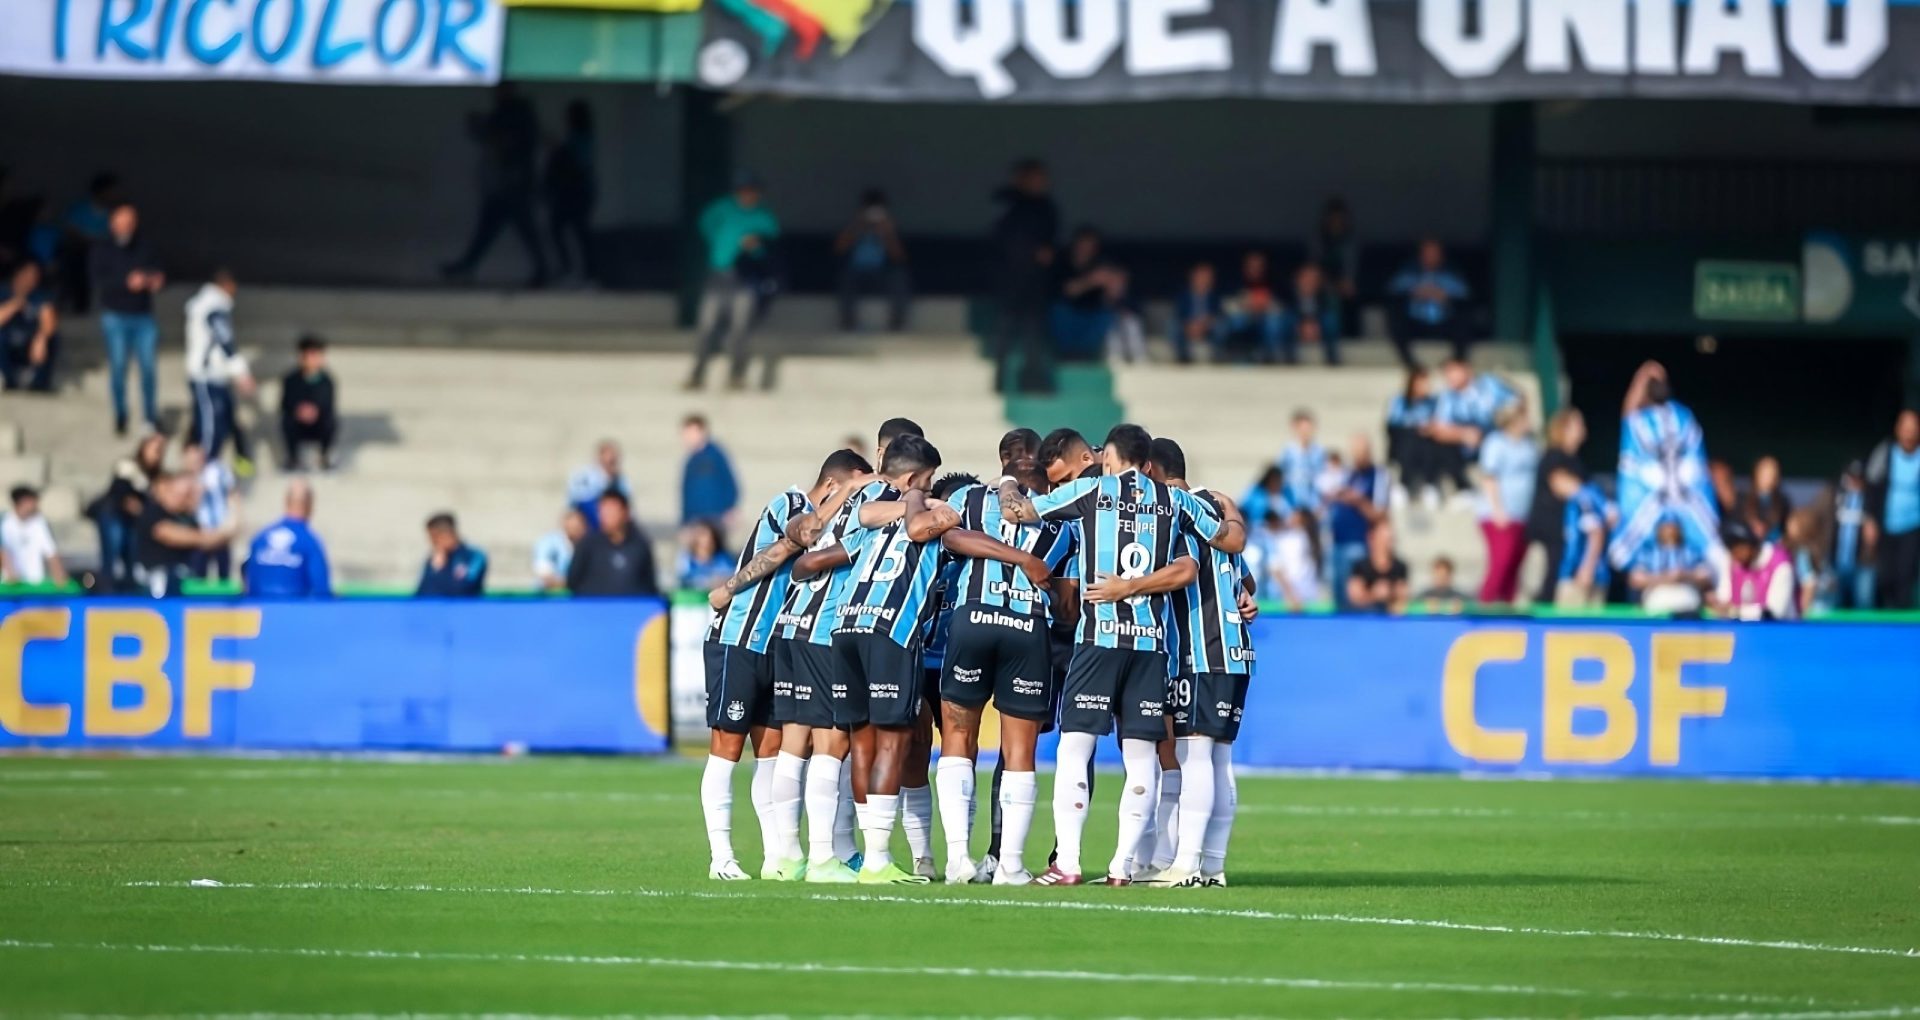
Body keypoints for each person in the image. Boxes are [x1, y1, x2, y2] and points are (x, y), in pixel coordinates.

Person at [995, 424, 1247, 886]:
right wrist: (1231, 511)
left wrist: (1007, 483)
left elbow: (1019, 513)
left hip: (1099, 639)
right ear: (1148, 463)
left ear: (1109, 458)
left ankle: (1067, 863)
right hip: (1150, 646)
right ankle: (1121, 868)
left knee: (1075, 746)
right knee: (1141, 755)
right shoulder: (1177, 501)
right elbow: (1227, 543)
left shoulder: (1094, 489)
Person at [706, 448, 874, 883]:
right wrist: (849, 492)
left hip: (778, 645)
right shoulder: (790, 503)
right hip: (738, 638)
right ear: (838, 482)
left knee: (773, 753)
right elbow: (807, 532)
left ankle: (776, 856)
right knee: (726, 750)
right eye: (860, 483)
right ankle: (721, 856)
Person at [771, 422, 923, 884]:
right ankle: (822, 858)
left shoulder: (846, 493)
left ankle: (786, 856)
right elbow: (826, 553)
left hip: (792, 622)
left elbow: (807, 537)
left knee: (793, 745)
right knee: (833, 744)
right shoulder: (877, 498)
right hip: (826, 626)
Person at [933, 448, 1077, 885]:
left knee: (958, 737)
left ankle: (958, 858)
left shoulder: (971, 499)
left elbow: (949, 538)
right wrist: (1033, 570)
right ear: (1046, 485)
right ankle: (1009, 865)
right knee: (1020, 752)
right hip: (1026, 630)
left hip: (971, 619)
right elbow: (1068, 608)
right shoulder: (1061, 524)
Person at [1139, 438, 1259, 889]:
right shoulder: (1214, 507)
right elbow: (1245, 577)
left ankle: (1186, 864)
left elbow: (1183, 571)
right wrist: (1247, 599)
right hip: (1236, 650)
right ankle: (1212, 866)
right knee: (1218, 758)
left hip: (1203, 647)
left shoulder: (1177, 510)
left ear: (1151, 471)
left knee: (1195, 755)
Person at [1609, 361, 1720, 573]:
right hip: (1655, 513)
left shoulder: (1675, 417)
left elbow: (1696, 464)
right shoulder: (1645, 422)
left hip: (1685, 513)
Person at [442, 83, 549, 288]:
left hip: (513, 181)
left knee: (511, 227)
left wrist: (484, 130)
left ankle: (468, 265)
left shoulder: (514, 113)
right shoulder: (512, 112)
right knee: (497, 226)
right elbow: (495, 138)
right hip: (509, 181)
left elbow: (503, 140)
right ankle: (468, 265)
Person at [687, 173, 781, 392]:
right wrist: (718, 242)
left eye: (751, 191)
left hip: (745, 278)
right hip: (718, 274)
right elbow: (705, 225)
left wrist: (755, 246)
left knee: (740, 328)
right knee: (706, 325)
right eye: (743, 191)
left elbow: (772, 244)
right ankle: (697, 372)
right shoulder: (722, 208)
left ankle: (737, 374)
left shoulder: (763, 216)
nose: (747, 195)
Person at [90, 202, 163, 435]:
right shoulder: (102, 249)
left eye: (130, 222)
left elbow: (160, 272)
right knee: (119, 366)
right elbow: (99, 280)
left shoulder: (145, 246)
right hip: (115, 316)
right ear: (113, 223)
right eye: (122, 221)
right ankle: (121, 414)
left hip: (143, 316)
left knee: (148, 368)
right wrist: (126, 282)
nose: (126, 226)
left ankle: (150, 416)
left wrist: (152, 280)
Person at [989, 159, 1058, 395]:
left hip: (1036, 285)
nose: (1041, 183)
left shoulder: (1046, 207)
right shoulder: (1006, 204)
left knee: (1034, 336)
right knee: (1005, 334)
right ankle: (999, 383)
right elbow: (1001, 239)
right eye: (1035, 177)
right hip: (1010, 282)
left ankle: (1033, 382)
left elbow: (1050, 243)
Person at [185, 269, 255, 469]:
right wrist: (241, 373)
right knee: (210, 426)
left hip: (217, 376)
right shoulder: (213, 306)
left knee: (228, 421)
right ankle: (203, 469)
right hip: (205, 376)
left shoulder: (211, 306)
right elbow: (225, 340)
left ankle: (238, 463)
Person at [1476, 401, 1538, 605]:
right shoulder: (1496, 443)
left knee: (1515, 565)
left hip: (1523, 515)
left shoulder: (1530, 445)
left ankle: (1507, 607)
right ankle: (1485, 605)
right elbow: (1489, 477)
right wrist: (1497, 510)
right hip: (1501, 515)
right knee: (1501, 562)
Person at [135, 472, 235, 598]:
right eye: (180, 494)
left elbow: (213, 540)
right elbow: (169, 534)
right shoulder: (153, 512)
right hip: (157, 579)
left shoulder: (187, 517)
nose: (183, 498)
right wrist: (206, 538)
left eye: (187, 495)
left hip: (185, 577)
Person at [1430, 358, 1518, 495]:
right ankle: (1464, 489)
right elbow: (1439, 429)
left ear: (1466, 369)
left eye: (1453, 371)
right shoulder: (1447, 397)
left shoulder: (1489, 384)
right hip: (1467, 448)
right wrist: (1463, 434)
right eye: (1446, 373)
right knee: (1439, 447)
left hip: (1497, 438)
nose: (1449, 376)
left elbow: (1516, 402)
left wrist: (1504, 423)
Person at [88, 433, 166, 588]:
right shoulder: (128, 466)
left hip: (133, 523)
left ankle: (128, 594)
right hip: (114, 517)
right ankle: (106, 592)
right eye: (154, 448)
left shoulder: (156, 476)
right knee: (112, 556)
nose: (157, 453)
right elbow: (121, 494)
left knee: (132, 560)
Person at [1528, 408, 1587, 604]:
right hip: (1549, 530)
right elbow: (1564, 486)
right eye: (1577, 424)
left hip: (1565, 532)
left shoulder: (1576, 460)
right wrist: (1596, 499)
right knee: (1549, 578)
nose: (1583, 429)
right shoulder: (1554, 456)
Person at [1386, 237, 1472, 368]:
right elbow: (1393, 288)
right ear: (1420, 255)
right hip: (1416, 322)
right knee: (1396, 315)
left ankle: (1458, 360)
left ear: (1441, 256)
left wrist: (1444, 295)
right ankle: (1409, 363)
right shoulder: (1408, 273)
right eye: (1427, 253)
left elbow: (1464, 292)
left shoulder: (1451, 275)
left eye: (1434, 253)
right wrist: (1414, 292)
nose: (1430, 257)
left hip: (1443, 322)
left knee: (1464, 317)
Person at [1325, 434, 1388, 611]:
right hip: (1338, 542)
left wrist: (1358, 501)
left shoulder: (1377, 475)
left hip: (1358, 542)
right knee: (1338, 594)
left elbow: (1380, 512)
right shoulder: (1350, 474)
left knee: (1353, 595)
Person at [241, 480, 332, 598]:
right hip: (294, 612)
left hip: (260, 612)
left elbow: (247, 583)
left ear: (286, 501)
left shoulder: (259, 539)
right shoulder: (310, 543)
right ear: (310, 505)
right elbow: (322, 591)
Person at [1866, 409, 1920, 609]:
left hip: (1913, 527)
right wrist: (1870, 520)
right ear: (1898, 429)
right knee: (1885, 576)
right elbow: (1871, 485)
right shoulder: (1885, 452)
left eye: (1913, 429)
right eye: (1905, 428)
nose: (1909, 433)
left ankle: (1905, 628)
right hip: (1887, 525)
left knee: (1905, 576)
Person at [835, 189, 909, 332]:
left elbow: (899, 257)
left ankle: (897, 323)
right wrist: (857, 227)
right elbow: (839, 249)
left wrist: (887, 233)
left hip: (882, 274)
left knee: (900, 277)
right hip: (856, 273)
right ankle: (848, 323)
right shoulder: (854, 226)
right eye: (870, 210)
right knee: (845, 277)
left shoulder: (889, 227)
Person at [544, 99, 597, 283]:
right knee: (561, 229)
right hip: (573, 192)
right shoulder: (575, 137)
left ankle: (587, 273)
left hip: (578, 192)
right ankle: (574, 270)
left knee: (580, 233)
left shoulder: (582, 138)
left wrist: (558, 150)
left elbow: (578, 164)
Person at [567, 491, 658, 596]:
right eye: (602, 511)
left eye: (611, 511)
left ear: (625, 512)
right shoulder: (587, 545)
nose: (605, 517)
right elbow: (573, 581)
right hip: (594, 608)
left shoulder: (640, 546)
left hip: (630, 609)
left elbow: (649, 585)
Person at [1050, 228, 1118, 363]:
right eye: (1083, 244)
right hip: (1067, 313)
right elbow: (1068, 291)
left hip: (1092, 313)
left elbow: (1113, 297)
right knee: (1058, 312)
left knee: (1107, 317)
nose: (1085, 249)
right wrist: (1091, 281)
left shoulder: (1102, 263)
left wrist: (1113, 284)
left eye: (1090, 245)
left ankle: (1090, 357)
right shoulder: (1062, 262)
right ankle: (1067, 356)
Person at [1553, 468, 1613, 610]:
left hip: (1580, 574)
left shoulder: (1583, 498)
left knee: (1568, 628)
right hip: (1593, 573)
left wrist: (1587, 568)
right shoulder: (1594, 495)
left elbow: (1596, 533)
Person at [1629, 516, 1714, 616]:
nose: (1670, 531)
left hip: (1685, 595)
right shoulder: (1648, 552)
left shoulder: (1690, 551)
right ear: (1659, 530)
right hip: (1657, 594)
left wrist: (1684, 575)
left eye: (1673, 527)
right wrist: (1665, 578)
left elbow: (1705, 575)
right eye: (1666, 527)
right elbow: (1635, 579)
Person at [1714, 523, 1797, 621]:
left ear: (1747, 545)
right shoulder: (1733, 563)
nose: (1734, 557)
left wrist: (1736, 612)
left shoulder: (1780, 565)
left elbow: (1774, 612)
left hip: (1779, 632)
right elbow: (1723, 600)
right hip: (1740, 632)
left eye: (1737, 550)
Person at [179, 441, 237, 581]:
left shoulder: (217, 471)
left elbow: (232, 496)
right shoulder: (184, 478)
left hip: (220, 531)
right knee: (197, 575)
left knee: (224, 574)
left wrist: (232, 523)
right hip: (199, 534)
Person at [280, 335, 338, 471]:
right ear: (302, 357)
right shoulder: (291, 379)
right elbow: (285, 403)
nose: (315, 360)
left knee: (331, 421)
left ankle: (325, 456)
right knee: (287, 421)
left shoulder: (327, 381)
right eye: (311, 355)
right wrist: (299, 410)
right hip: (298, 423)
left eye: (318, 355)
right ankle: (292, 458)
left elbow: (328, 405)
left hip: (318, 424)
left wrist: (315, 411)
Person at [1386, 368, 1444, 504]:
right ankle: (1403, 484)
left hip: (1428, 442)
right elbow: (1393, 424)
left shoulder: (1433, 403)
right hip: (1403, 441)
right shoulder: (1399, 401)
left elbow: (1440, 421)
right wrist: (1415, 427)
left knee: (1426, 441)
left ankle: (1430, 484)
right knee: (1411, 437)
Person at [1, 260, 57, 392]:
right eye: (27, 275)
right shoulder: (3, 292)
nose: (31, 279)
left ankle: (38, 382)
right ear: (17, 274)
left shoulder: (40, 296)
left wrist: (41, 337)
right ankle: (8, 379)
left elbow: (49, 320)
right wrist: (14, 305)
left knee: (52, 340)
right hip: (8, 341)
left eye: (35, 276)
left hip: (30, 343)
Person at [1221, 250, 1284, 364]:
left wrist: (1265, 305)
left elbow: (1281, 306)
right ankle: (1238, 355)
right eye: (1252, 266)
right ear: (1245, 267)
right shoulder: (1234, 282)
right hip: (1243, 316)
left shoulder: (1274, 282)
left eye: (1259, 266)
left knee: (1274, 324)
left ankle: (1270, 358)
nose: (1256, 269)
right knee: (1237, 321)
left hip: (1265, 317)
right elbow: (1226, 305)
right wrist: (1245, 305)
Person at [1309, 197, 1359, 339]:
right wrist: (1326, 282)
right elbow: (1314, 266)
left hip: (1344, 282)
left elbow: (1351, 264)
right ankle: (1333, 336)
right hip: (1323, 282)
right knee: (1331, 297)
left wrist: (1348, 281)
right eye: (1333, 218)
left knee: (1351, 294)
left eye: (1339, 218)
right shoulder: (1319, 239)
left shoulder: (1349, 240)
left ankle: (1350, 335)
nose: (1336, 221)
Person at [1830, 461, 1877, 610]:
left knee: (1864, 604)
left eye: (1859, 478)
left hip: (1864, 563)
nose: (1855, 482)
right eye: (1852, 477)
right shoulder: (1833, 495)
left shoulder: (1873, 498)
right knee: (1834, 606)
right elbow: (1818, 519)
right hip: (1836, 563)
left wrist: (1874, 528)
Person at [680, 415, 740, 529]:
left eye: (690, 433)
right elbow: (686, 495)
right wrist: (684, 522)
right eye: (685, 434)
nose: (687, 438)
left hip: (717, 520)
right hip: (695, 522)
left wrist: (730, 508)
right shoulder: (690, 462)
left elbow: (730, 483)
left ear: (702, 432)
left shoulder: (716, 456)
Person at [2, 486, 66, 586]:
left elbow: (51, 553)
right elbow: (3, 551)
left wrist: (60, 578)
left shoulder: (39, 523)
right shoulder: (5, 523)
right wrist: (11, 575)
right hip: (11, 587)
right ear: (23, 501)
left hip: (35, 585)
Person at [1281, 263, 1341, 366]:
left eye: (1314, 278)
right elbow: (1288, 310)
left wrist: (1314, 323)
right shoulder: (1289, 293)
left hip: (1317, 321)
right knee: (1287, 321)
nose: (1309, 281)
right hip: (1297, 320)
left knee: (1330, 321)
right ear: (1298, 279)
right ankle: (1290, 357)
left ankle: (1332, 357)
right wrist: (1303, 324)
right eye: (1306, 278)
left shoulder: (1324, 294)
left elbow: (1325, 310)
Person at [1347, 520, 1410, 614]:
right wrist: (1374, 595)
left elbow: (1403, 599)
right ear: (1373, 538)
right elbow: (1354, 599)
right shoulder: (1360, 566)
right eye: (1384, 539)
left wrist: (1393, 595)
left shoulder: (1400, 566)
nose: (1388, 543)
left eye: (1390, 539)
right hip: (1365, 617)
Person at [417, 513, 487, 597]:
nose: (432, 542)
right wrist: (435, 569)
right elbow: (422, 592)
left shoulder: (474, 556)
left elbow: (466, 588)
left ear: (446, 534)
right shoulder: (434, 558)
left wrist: (440, 572)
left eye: (434, 537)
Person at [567, 439, 633, 528]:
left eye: (613, 461)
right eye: (608, 461)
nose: (611, 464)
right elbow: (580, 504)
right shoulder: (583, 477)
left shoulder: (621, 480)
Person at [1268, 507, 1322, 612]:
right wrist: (1291, 594)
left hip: (1309, 597)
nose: (1290, 518)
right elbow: (1276, 569)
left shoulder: (1311, 540)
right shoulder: (1283, 539)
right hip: (1287, 598)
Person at [1170, 262, 1224, 365]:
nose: (1204, 280)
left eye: (1207, 277)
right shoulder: (1183, 296)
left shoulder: (1215, 297)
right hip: (1188, 326)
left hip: (1207, 327)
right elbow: (1179, 314)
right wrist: (1189, 325)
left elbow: (1218, 314)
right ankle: (1182, 358)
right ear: (1193, 277)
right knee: (1173, 325)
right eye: (1201, 276)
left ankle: (1217, 357)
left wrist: (1204, 325)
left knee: (1221, 326)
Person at [1276, 410, 1328, 515]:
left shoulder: (1318, 452)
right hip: (1291, 505)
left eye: (1308, 429)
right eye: (1303, 429)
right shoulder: (1288, 451)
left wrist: (1319, 504)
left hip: (1313, 506)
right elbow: (1280, 478)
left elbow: (1322, 479)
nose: (1306, 433)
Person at [532, 508, 587, 592]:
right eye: (574, 526)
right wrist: (571, 582)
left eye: (579, 526)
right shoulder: (549, 543)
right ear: (565, 523)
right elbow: (546, 578)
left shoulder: (586, 545)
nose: (577, 529)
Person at [1742, 455, 1791, 543]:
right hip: (1749, 546)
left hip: (1774, 547)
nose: (1769, 477)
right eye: (1765, 473)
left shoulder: (1783, 501)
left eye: (1772, 473)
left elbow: (1785, 526)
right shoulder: (1743, 498)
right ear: (1757, 473)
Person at [678, 520, 734, 591]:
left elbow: (731, 574)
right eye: (703, 538)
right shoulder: (687, 559)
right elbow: (683, 578)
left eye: (711, 539)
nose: (707, 542)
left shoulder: (723, 559)